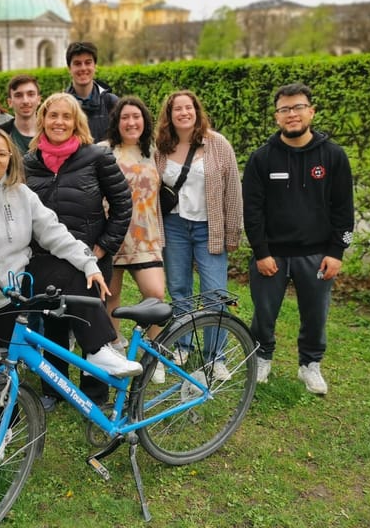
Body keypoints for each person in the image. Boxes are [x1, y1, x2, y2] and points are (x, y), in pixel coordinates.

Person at [0, 129, 142, 391]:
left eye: (2, 154)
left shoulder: (20, 193)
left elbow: (53, 232)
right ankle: (0, 430)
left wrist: (87, 262)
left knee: (72, 272)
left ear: (10, 160)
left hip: (21, 281)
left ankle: (97, 349)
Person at [242, 82, 354, 395]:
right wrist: (261, 251)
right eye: (285, 109)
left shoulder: (333, 157)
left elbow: (344, 209)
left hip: (317, 255)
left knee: (316, 315)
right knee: (264, 313)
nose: (292, 114)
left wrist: (337, 252)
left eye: (298, 107)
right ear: (276, 116)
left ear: (311, 112)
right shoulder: (261, 158)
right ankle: (262, 357)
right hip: (272, 255)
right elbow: (252, 211)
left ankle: (310, 365)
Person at [24, 93, 133, 410]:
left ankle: (95, 393)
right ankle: (54, 389)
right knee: (53, 325)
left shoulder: (96, 157)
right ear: (43, 119)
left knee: (89, 320)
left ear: (77, 123)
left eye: (66, 116)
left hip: (90, 258)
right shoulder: (28, 162)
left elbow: (123, 203)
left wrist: (105, 245)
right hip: (45, 259)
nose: (59, 122)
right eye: (52, 115)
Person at [154, 90, 242, 380]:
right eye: (177, 109)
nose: (183, 113)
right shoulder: (161, 147)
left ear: (196, 111)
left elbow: (233, 191)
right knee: (180, 291)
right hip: (175, 225)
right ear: (169, 115)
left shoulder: (217, 144)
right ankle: (183, 345)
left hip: (209, 227)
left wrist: (233, 232)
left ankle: (215, 356)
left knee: (215, 294)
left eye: (188, 107)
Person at [101, 97, 165, 353]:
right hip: (112, 236)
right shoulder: (103, 151)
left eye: (136, 117)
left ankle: (152, 347)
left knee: (156, 295)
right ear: (117, 122)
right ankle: (114, 343)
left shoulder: (155, 151)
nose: (131, 122)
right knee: (110, 296)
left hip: (145, 237)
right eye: (125, 117)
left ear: (144, 121)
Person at [64, 41, 118, 142]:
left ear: (95, 66)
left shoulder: (111, 102)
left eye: (88, 62)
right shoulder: (61, 105)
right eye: (77, 63)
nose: (83, 68)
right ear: (69, 69)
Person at [0, 73, 41, 153]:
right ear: (9, 102)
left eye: (31, 94)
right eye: (18, 95)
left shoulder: (51, 132)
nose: (25, 101)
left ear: (38, 99)